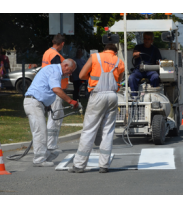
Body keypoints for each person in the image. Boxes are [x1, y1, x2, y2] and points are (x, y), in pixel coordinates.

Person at [68, 44, 124, 173]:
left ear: (104, 49)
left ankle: (79, 165)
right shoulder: (119, 62)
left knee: (89, 129)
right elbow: (119, 82)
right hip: (112, 95)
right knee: (108, 130)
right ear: (114, 52)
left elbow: (81, 75)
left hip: (97, 94)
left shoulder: (95, 57)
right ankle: (104, 165)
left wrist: (92, 77)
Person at [24, 59, 77, 167]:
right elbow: (56, 89)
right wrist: (71, 101)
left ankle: (45, 155)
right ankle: (39, 160)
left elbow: (46, 88)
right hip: (33, 102)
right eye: (70, 71)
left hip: (37, 103)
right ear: (65, 65)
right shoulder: (55, 71)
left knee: (41, 130)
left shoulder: (52, 69)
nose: (70, 74)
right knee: (40, 131)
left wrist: (47, 103)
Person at [42, 33, 68, 152]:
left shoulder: (47, 52)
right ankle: (50, 145)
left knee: (55, 116)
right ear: (62, 44)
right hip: (55, 90)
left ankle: (50, 143)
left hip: (50, 89)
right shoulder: (55, 55)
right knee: (55, 117)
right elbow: (57, 73)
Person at [128, 32, 162, 98]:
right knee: (132, 78)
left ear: (152, 40)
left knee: (155, 77)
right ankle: (134, 97)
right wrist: (140, 53)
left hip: (151, 70)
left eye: (148, 39)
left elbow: (159, 60)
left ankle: (154, 96)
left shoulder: (155, 49)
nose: (146, 40)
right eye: (145, 38)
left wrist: (159, 62)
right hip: (139, 70)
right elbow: (134, 55)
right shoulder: (138, 47)